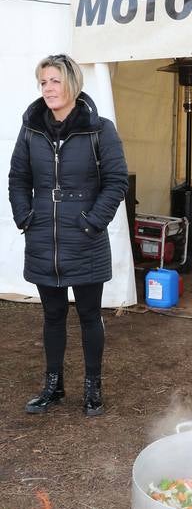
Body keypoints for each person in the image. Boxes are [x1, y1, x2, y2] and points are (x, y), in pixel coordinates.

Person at [8, 53, 129, 417]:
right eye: (43, 82)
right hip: (43, 235)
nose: (48, 89)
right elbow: (18, 178)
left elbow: (116, 181)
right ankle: (53, 386)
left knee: (90, 315)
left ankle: (93, 387)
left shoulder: (100, 129)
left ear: (72, 83)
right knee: (52, 314)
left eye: (55, 81)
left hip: (85, 237)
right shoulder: (31, 129)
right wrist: (25, 217)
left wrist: (93, 222)